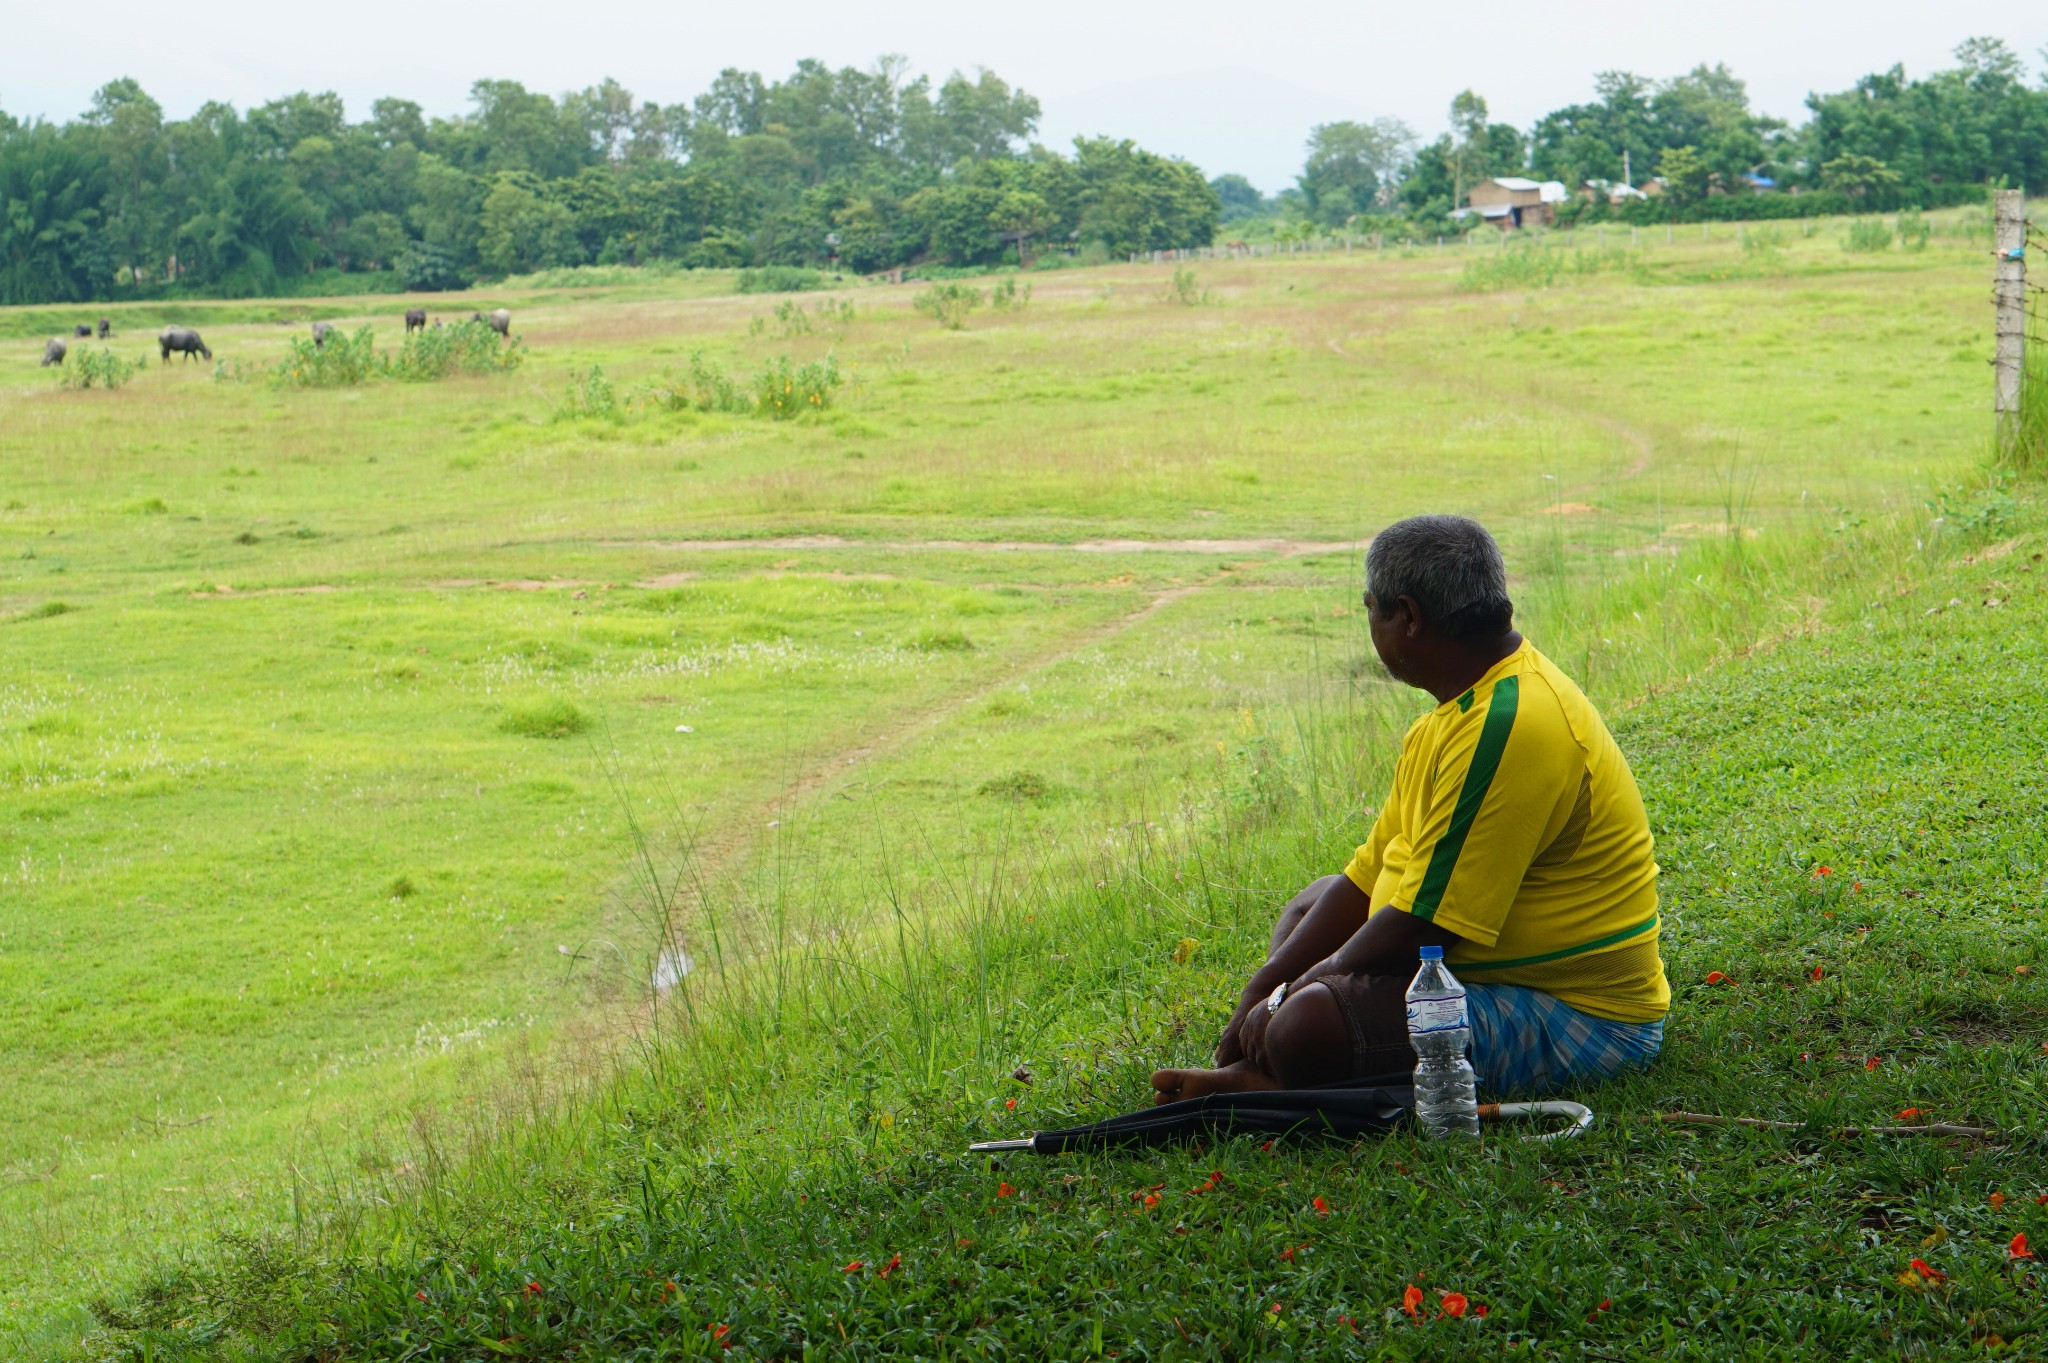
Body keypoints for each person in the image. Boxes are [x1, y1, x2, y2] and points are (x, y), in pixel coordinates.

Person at [1152, 514, 1668, 1104]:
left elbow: (1428, 924)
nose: (1369, 623)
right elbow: (1367, 877)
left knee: (1308, 1023)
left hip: (1581, 1017)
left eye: (1370, 608)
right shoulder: (1453, 715)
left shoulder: (1510, 724)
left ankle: (1270, 1079)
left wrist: (1292, 997)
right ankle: (1277, 1064)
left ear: (1408, 617)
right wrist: (1264, 988)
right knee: (1311, 907)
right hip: (1476, 967)